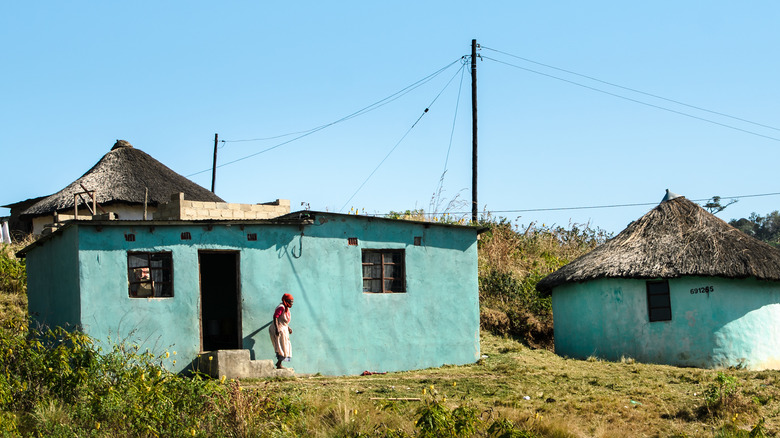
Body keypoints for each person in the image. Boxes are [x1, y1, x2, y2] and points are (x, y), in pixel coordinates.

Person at [269, 293, 293, 369]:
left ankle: (279, 363)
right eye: (290, 301)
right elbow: (276, 317)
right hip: (279, 329)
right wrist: (277, 328)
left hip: (283, 329)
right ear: (286, 301)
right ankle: (279, 364)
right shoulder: (281, 307)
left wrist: (288, 328)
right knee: (281, 346)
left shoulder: (286, 308)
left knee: (285, 346)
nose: (292, 303)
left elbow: (283, 320)